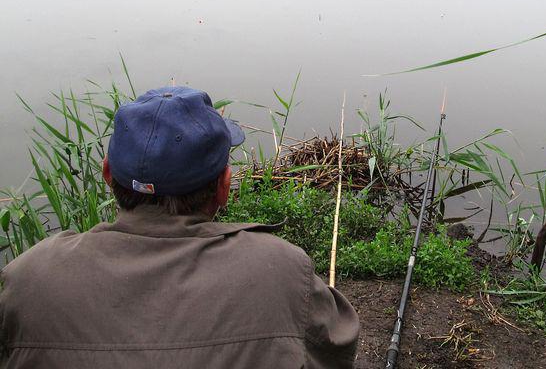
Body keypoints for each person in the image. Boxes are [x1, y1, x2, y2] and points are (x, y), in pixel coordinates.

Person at [0, 86, 359, 368]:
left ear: (108, 174)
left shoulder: (27, 278)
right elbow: (337, 352)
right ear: (223, 187)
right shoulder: (281, 270)